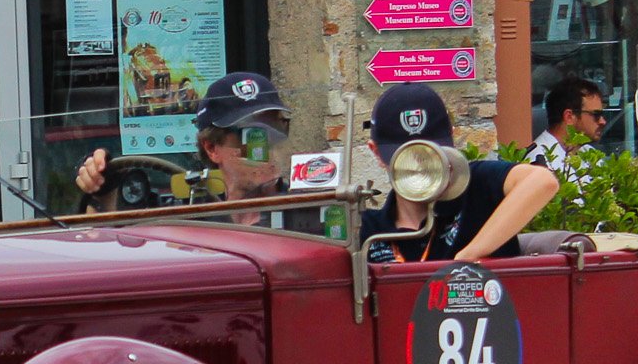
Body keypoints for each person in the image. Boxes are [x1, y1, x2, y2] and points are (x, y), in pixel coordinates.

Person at [75, 71, 322, 230]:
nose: (266, 146)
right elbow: (110, 244)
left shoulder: (305, 213)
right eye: (252, 135)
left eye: (275, 128)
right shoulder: (192, 219)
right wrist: (103, 185)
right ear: (212, 148)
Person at [359, 83, 558, 263]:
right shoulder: (367, 230)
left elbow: (542, 181)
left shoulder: (476, 186)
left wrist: (470, 254)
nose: (420, 166)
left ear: (451, 141)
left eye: (431, 154)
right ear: (376, 153)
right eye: (407, 158)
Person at [525, 77, 609, 189]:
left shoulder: (589, 153)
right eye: (596, 115)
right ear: (569, 116)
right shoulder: (538, 161)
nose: (603, 121)